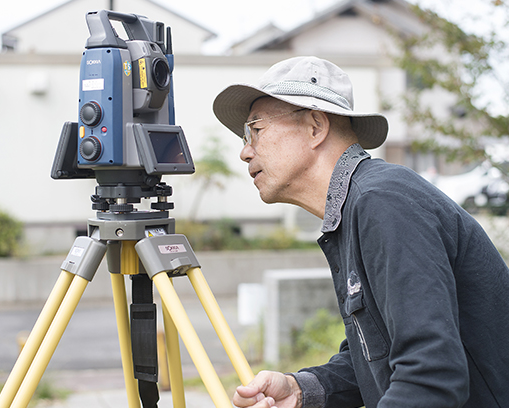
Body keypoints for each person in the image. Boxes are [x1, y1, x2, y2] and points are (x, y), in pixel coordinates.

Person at [212, 56, 509, 408]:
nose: (245, 152)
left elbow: (430, 376)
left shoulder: (383, 202)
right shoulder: (358, 206)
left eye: (255, 130)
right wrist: (301, 389)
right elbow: (378, 353)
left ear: (315, 127)